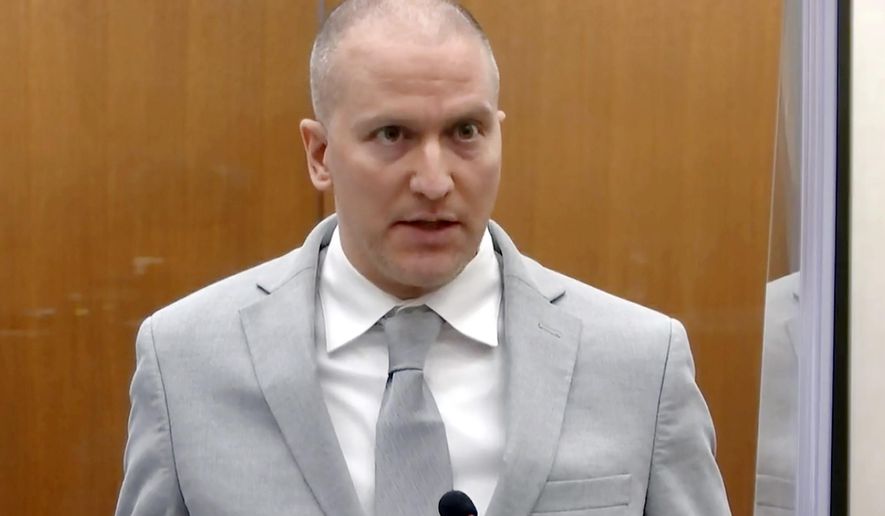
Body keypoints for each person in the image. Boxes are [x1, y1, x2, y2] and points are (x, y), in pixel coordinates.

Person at [114, 1, 731, 515]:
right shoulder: (185, 361)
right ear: (321, 154)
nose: (435, 181)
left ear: (498, 136)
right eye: (393, 135)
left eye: (466, 132)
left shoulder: (641, 363)